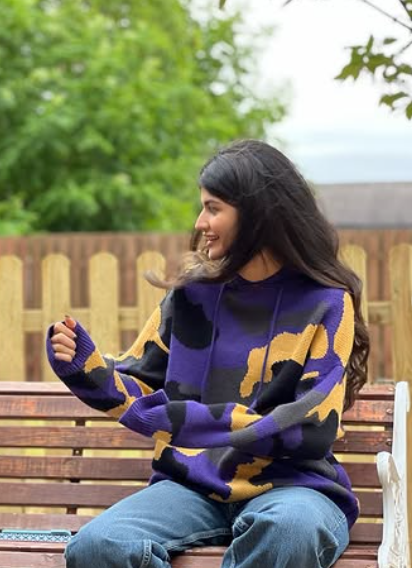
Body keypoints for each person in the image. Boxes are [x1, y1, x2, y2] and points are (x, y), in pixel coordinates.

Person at [47, 140, 370, 568]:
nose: (201, 222)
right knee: (98, 546)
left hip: (295, 489)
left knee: (290, 531)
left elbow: (311, 427)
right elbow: (142, 383)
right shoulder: (190, 297)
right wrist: (84, 368)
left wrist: (180, 419)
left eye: (213, 208)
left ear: (258, 213)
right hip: (190, 487)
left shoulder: (327, 304)